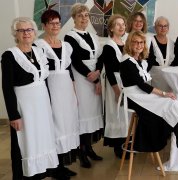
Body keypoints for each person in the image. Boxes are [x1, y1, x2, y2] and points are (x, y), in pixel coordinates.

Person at [119, 31, 178, 152]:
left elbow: (143, 86)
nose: (139, 45)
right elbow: (142, 85)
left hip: (140, 94)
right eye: (135, 42)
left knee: (172, 102)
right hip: (133, 97)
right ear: (129, 44)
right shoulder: (126, 62)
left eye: (141, 42)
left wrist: (164, 95)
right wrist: (163, 93)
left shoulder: (138, 60)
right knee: (166, 102)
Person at [1, 17, 58, 179]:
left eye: (29, 30)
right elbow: (6, 87)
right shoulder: (9, 56)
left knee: (41, 140)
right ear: (15, 34)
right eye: (21, 30)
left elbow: (44, 81)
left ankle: (39, 174)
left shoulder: (38, 52)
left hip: (42, 105)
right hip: (24, 108)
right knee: (25, 143)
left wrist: (49, 105)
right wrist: (13, 115)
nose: (26, 33)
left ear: (34, 32)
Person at [34, 9, 79, 179]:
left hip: (66, 89)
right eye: (51, 23)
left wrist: (74, 93)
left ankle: (61, 165)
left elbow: (69, 71)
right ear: (44, 25)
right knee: (54, 126)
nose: (55, 26)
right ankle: (53, 167)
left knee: (66, 124)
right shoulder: (38, 46)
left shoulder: (66, 46)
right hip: (51, 88)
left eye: (58, 23)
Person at [64, 3, 104, 168]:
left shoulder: (92, 35)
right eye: (80, 15)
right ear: (74, 18)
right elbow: (75, 61)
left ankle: (89, 147)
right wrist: (93, 78)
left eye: (86, 15)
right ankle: (81, 151)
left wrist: (99, 71)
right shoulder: (70, 36)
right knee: (83, 116)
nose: (84, 18)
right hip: (82, 80)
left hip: (94, 76)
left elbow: (101, 56)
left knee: (92, 115)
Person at [99, 14, 129, 159]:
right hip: (115, 84)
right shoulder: (108, 46)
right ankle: (118, 146)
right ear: (111, 28)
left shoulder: (125, 44)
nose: (121, 26)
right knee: (116, 113)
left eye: (123, 24)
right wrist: (117, 91)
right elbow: (110, 71)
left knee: (125, 114)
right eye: (117, 24)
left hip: (125, 82)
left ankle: (126, 143)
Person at [147, 16, 174, 92]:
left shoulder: (172, 43)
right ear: (155, 27)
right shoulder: (149, 41)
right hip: (155, 78)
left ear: (168, 28)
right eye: (160, 26)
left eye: (165, 26)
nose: (163, 28)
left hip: (169, 78)